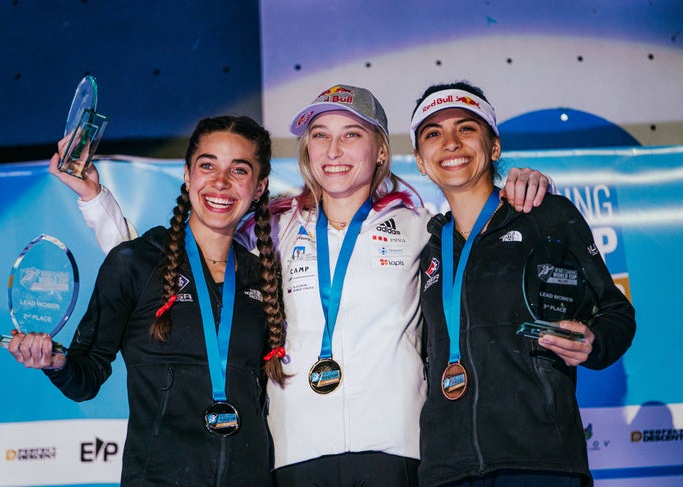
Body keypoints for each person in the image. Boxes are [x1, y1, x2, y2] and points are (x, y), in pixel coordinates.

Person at [55, 84, 550, 486]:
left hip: (395, 448)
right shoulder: (269, 228)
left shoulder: (421, 225)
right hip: (294, 452)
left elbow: (487, 249)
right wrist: (96, 200)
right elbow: (164, 267)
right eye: (319, 135)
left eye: (351, 135)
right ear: (306, 151)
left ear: (380, 150)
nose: (333, 151)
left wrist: (519, 182)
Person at [8, 115, 285, 486]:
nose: (220, 182)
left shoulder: (264, 276)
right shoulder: (135, 263)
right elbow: (85, 376)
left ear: (259, 186)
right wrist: (54, 361)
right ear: (187, 175)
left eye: (239, 170)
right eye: (207, 165)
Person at [411, 81, 636, 486]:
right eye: (433, 133)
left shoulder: (545, 215)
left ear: (494, 147)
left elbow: (616, 311)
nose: (450, 142)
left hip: (539, 460)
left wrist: (593, 341)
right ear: (421, 161)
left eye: (466, 128)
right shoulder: (426, 247)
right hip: (447, 470)